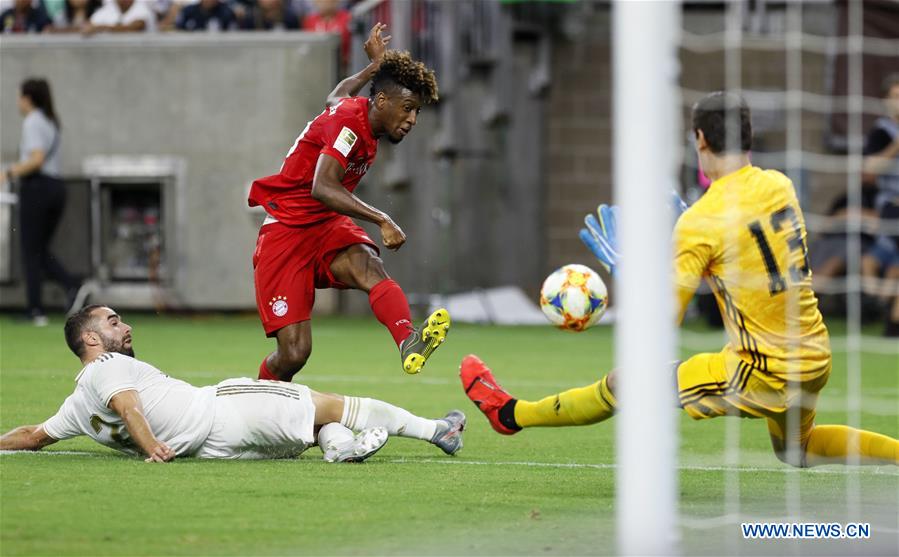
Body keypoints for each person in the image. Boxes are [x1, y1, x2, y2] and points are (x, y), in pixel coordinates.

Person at [461, 92, 898, 468]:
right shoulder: (779, 186)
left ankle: (509, 414)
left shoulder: (702, 223)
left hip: (762, 370)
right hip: (814, 353)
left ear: (700, 139)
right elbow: (745, 243)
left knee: (624, 382)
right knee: (797, 451)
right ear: (747, 136)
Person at [0, 305, 466, 463]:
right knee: (337, 405)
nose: (125, 327)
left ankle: (339, 449)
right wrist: (151, 447)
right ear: (90, 339)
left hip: (216, 449)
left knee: (310, 427)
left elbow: (34, 437)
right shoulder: (106, 369)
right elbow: (128, 407)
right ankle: (435, 431)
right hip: (224, 409)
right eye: (112, 321)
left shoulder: (77, 403)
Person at [248, 23, 449, 382]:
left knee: (370, 265)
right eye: (407, 109)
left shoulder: (356, 113)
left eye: (416, 112)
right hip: (287, 232)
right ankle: (259, 407)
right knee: (294, 354)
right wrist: (382, 218)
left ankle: (409, 342)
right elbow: (322, 186)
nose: (411, 120)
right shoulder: (350, 125)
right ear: (382, 102)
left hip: (325, 225)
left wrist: (374, 67)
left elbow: (335, 95)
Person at [4, 78, 84, 327]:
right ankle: (71, 284)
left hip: (38, 187)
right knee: (39, 250)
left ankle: (36, 309)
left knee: (31, 250)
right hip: (55, 188)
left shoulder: (33, 121)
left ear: (28, 98)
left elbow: (36, 159)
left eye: (19, 97)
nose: (17, 102)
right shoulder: (51, 121)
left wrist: (9, 172)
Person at [861, 73, 899, 335]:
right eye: (896, 97)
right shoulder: (881, 132)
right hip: (892, 208)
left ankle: (888, 315)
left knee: (889, 264)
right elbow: (869, 173)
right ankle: (886, 309)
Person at [85, 0, 156, 34]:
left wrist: (100, 28)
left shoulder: (142, 7)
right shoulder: (107, 9)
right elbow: (88, 26)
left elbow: (135, 27)